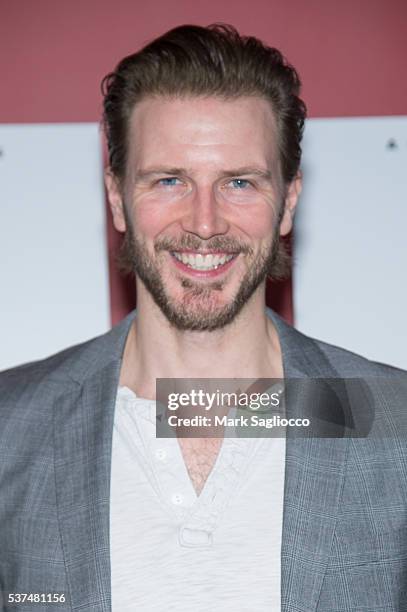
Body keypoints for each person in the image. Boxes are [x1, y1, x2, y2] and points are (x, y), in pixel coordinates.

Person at [0, 23, 406, 612]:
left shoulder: (392, 428)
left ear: (288, 202)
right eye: (169, 180)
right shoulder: (12, 431)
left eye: (239, 182)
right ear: (116, 198)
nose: (206, 222)